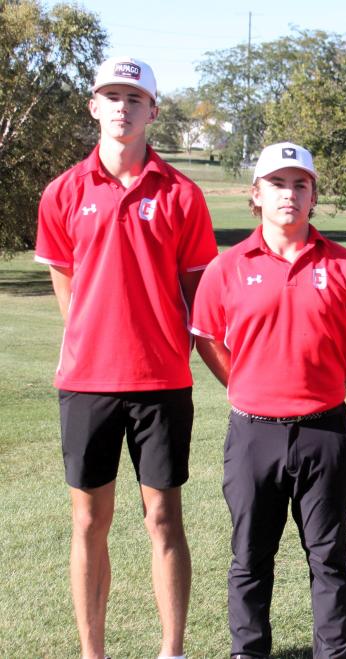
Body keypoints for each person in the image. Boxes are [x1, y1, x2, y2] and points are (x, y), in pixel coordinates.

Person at [34, 56, 218, 659]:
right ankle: (93, 652)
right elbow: (65, 279)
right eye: (111, 96)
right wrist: (91, 335)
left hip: (162, 380)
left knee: (163, 517)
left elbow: (198, 295)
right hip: (87, 383)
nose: (122, 106)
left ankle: (172, 650)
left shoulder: (183, 195)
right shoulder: (63, 191)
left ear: (152, 112)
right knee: (89, 522)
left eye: (134, 98)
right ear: (93, 106)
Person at [190, 142, 346, 659]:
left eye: (300, 185)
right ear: (256, 194)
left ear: (313, 194)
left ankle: (333, 653)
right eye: (278, 184)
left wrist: (329, 385)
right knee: (250, 558)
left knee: (328, 557)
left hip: (326, 431)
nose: (289, 194)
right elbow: (208, 339)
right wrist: (247, 385)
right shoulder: (227, 267)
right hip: (254, 434)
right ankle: (248, 653)